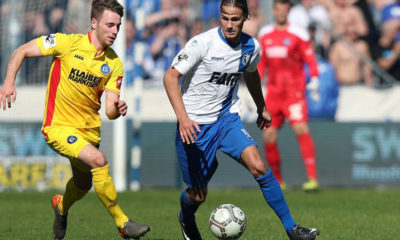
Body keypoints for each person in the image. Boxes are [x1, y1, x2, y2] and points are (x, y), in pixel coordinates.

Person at [163, 0, 320, 239]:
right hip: (194, 125)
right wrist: (183, 119)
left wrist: (261, 107)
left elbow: (252, 72)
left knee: (259, 166)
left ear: (245, 18)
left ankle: (292, 228)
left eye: (234, 19)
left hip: (226, 120)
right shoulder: (202, 44)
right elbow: (170, 77)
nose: (228, 24)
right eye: (224, 17)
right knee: (198, 195)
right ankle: (186, 217)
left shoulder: (250, 46)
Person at [0, 0, 150, 239]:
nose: (115, 31)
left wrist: (117, 108)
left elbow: (109, 111)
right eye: (110, 25)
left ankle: (61, 207)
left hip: (90, 134)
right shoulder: (66, 43)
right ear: (93, 22)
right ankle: (123, 223)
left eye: (118, 26)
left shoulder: (114, 64)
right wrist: (9, 82)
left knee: (83, 185)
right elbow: (22, 51)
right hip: (58, 127)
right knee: (99, 160)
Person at [258, 0, 320, 191]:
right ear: (274, 10)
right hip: (274, 95)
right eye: (279, 9)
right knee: (268, 135)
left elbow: (310, 59)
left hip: (294, 93)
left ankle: (312, 178)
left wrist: (315, 79)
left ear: (288, 11)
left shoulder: (298, 34)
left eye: (285, 9)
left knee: (301, 128)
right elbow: (261, 65)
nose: (282, 13)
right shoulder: (265, 34)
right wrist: (254, 88)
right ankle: (278, 181)